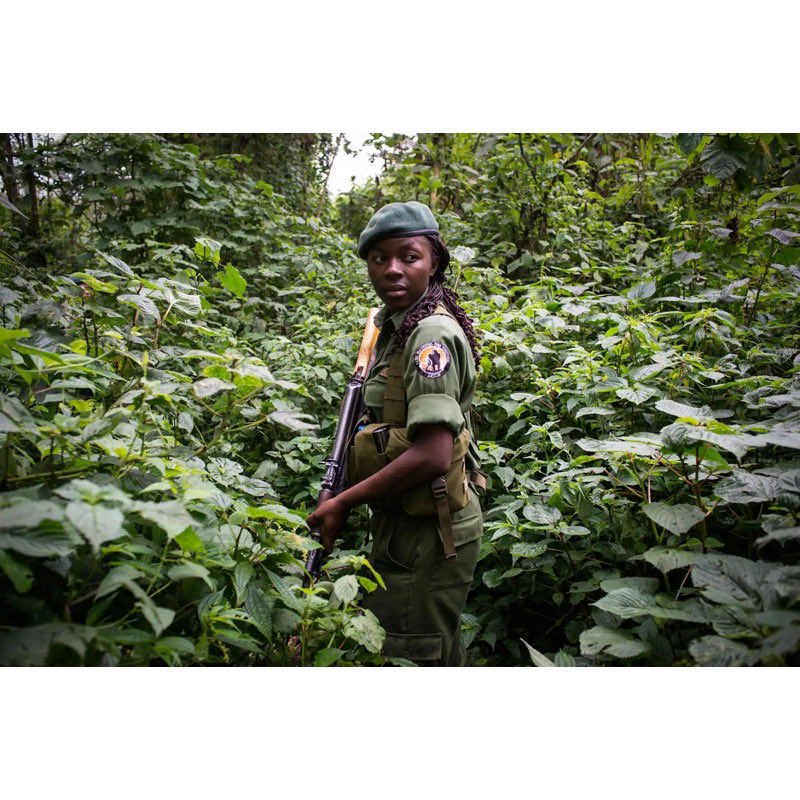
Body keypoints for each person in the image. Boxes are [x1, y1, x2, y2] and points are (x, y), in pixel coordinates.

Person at [307, 201, 484, 666]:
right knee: (427, 643)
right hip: (407, 516)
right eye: (378, 258)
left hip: (430, 529)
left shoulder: (430, 336)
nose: (392, 270)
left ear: (434, 262)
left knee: (410, 653)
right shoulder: (393, 326)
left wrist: (343, 502)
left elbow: (431, 454)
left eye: (409, 256)